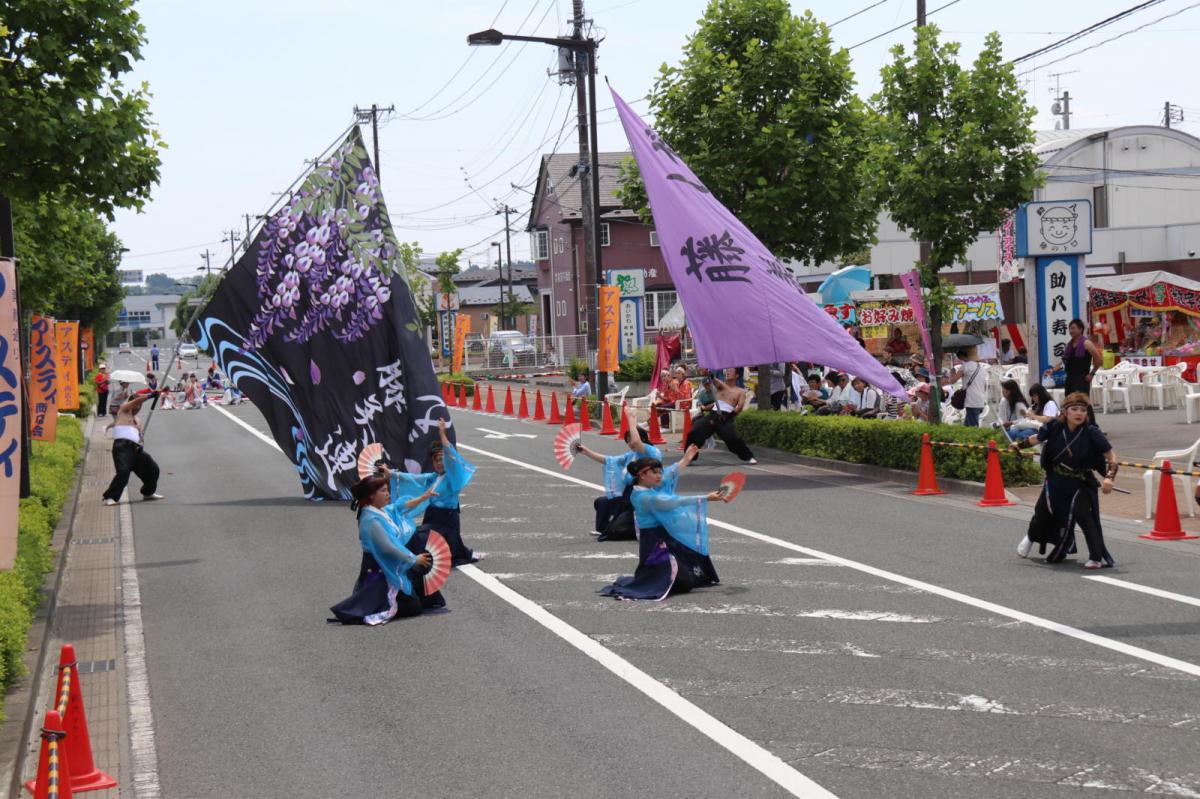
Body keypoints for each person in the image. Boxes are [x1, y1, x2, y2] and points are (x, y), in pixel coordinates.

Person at [1010, 392, 1117, 568]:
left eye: (1083, 410)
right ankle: (1030, 538)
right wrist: (1019, 445)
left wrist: (1109, 478)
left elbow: (1111, 456)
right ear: (1065, 412)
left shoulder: (1092, 432)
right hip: (1055, 479)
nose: (1079, 413)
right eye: (1074, 409)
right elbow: (1036, 438)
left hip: (1080, 481)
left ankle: (1096, 557)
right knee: (1042, 513)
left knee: (1084, 515)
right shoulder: (1054, 427)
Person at [599, 456, 727, 601]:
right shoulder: (645, 497)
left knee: (690, 576)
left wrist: (687, 458)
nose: (660, 476)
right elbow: (674, 501)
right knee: (685, 583)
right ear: (642, 474)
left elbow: (670, 474)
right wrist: (706, 497)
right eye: (655, 472)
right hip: (655, 543)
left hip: (664, 537)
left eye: (660, 472)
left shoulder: (647, 487)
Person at [328, 474, 443, 625]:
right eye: (383, 491)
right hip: (379, 568)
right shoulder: (371, 520)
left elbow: (399, 507)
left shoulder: (380, 511)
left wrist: (422, 497)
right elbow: (389, 547)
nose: (388, 493)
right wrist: (414, 559)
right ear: (371, 495)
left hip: (388, 565)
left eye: (387, 490)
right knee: (412, 605)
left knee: (419, 585)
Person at [382, 419, 483, 566]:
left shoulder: (452, 477)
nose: (440, 463)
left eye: (442, 460)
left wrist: (443, 435)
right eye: (436, 460)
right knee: (418, 537)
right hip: (432, 517)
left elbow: (450, 455)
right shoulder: (433, 478)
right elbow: (413, 478)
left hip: (447, 520)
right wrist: (391, 474)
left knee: (424, 541)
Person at [574, 426, 685, 540]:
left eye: (631, 439)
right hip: (628, 495)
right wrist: (586, 452)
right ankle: (603, 529)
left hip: (642, 498)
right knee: (602, 502)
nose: (630, 443)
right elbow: (609, 460)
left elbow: (637, 442)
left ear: (641, 438)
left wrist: (631, 417)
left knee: (616, 530)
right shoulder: (630, 455)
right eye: (627, 440)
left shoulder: (651, 452)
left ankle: (631, 528)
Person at [101, 389, 164, 506]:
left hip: (136, 449)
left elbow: (140, 437)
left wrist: (140, 437)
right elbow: (137, 400)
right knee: (123, 472)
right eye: (136, 404)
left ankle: (148, 492)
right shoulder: (123, 410)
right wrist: (150, 396)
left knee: (153, 469)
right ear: (131, 403)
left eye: (140, 406)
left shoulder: (138, 420)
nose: (138, 407)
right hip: (122, 448)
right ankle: (109, 497)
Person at [684, 369, 757, 464]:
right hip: (713, 415)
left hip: (726, 417)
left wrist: (729, 416)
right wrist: (708, 374)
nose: (727, 372)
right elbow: (714, 380)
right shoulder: (721, 385)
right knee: (695, 431)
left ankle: (748, 456)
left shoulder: (741, 391)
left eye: (731, 371)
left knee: (733, 439)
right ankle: (690, 457)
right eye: (727, 371)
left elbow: (740, 407)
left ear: (737, 375)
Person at [949, 346, 987, 427]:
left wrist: (952, 373)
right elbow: (984, 385)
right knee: (968, 425)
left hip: (971, 400)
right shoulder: (981, 367)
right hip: (980, 400)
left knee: (972, 427)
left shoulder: (965, 366)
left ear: (963, 356)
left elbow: (952, 380)